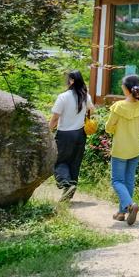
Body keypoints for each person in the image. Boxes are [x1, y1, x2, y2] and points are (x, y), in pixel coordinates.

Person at [104, 73, 139, 225]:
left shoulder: (119, 106)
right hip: (136, 147)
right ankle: (122, 213)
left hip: (121, 149)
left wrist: (116, 129)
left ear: (126, 88)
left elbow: (108, 127)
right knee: (129, 180)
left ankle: (130, 205)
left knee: (117, 181)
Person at [49, 70, 93, 202]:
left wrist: (48, 131)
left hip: (65, 134)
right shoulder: (85, 96)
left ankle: (66, 184)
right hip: (80, 134)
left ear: (72, 81)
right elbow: (92, 110)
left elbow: (55, 118)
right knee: (75, 163)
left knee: (58, 161)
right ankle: (69, 192)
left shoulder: (63, 97)